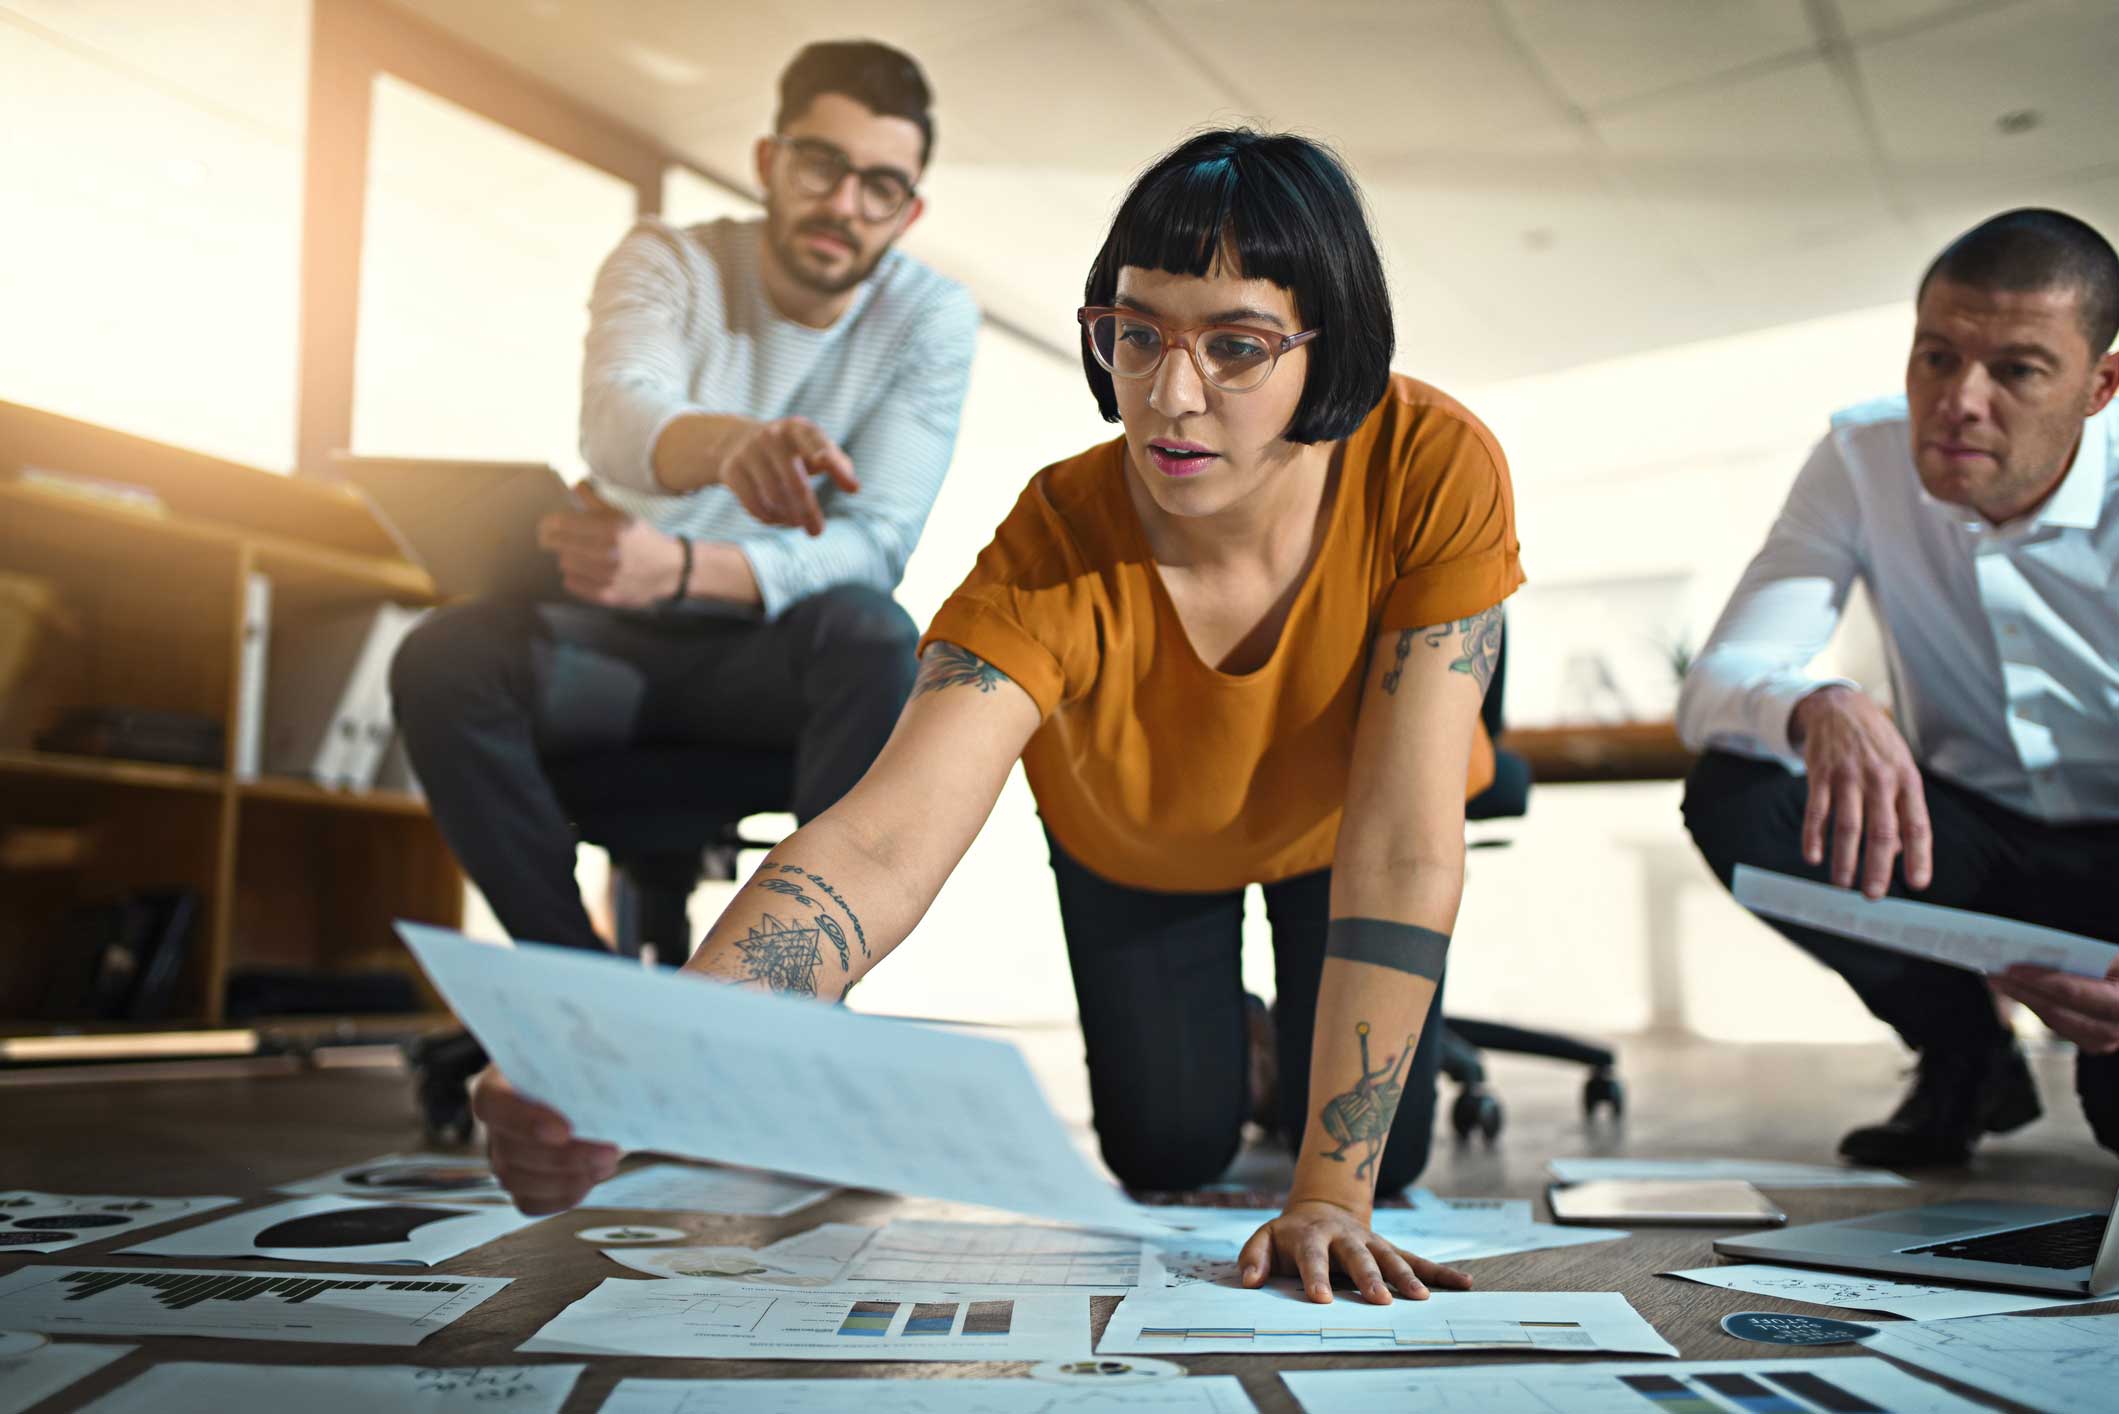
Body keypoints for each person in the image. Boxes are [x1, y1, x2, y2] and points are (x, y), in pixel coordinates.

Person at [474, 128, 1526, 1308]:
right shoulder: (1055, 535)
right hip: (1136, 837)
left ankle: (1284, 1051)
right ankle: (1248, 1032)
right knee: (1166, 1151)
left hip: (1344, 825)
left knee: (1389, 1158)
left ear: (1328, 346)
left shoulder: (1433, 462)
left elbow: (1402, 844)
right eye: (1136, 334)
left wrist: (1330, 1193)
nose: (1170, 397)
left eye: (1236, 346)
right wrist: (638, 1058)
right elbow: (877, 841)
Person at [391, 40, 980, 958]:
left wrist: (687, 570)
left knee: (876, 636)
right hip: (608, 651)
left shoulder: (929, 318)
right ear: (768, 161)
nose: (843, 205)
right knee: (441, 658)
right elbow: (619, 416)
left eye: (879, 187)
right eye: (821, 164)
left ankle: (789, 982)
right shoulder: (669, 262)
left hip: (764, 665)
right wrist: (729, 448)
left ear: (908, 211)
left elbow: (878, 540)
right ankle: (578, 987)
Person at [1679, 208, 2119, 1166]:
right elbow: (1716, 684)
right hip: (1962, 832)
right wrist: (1818, 702)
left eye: (2015, 370)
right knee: (1740, 795)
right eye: (1935, 357)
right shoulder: (1861, 459)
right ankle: (1962, 1055)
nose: (1959, 400)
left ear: (2099, 387)